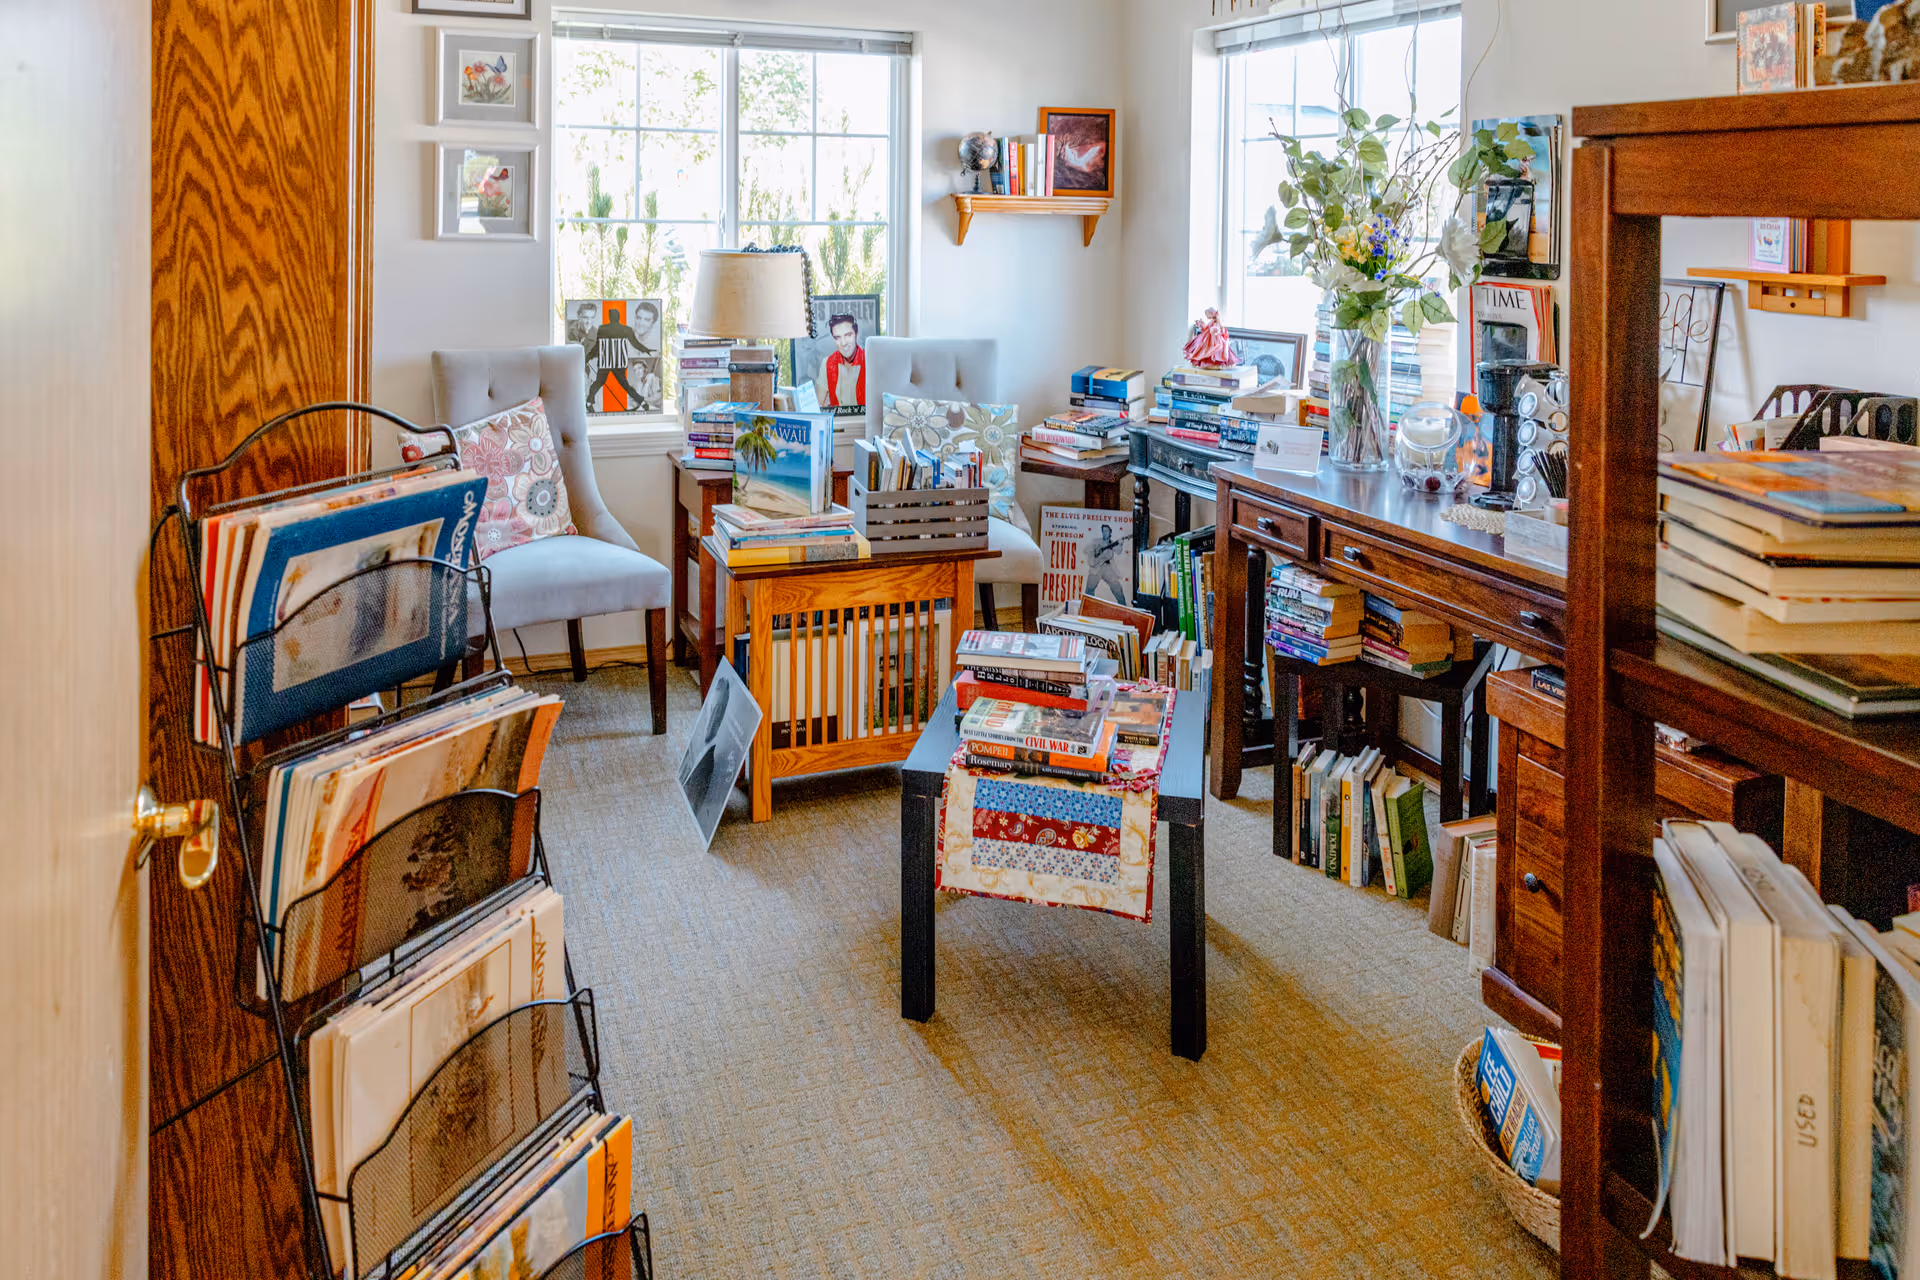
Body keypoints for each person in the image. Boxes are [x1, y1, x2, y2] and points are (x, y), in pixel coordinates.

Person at [586, 303, 657, 412]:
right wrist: (646, 350)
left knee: (599, 383)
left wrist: (588, 357)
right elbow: (635, 344)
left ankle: (589, 402)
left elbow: (597, 347)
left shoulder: (603, 328)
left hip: (606, 362)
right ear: (618, 317)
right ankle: (642, 402)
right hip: (617, 362)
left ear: (610, 317)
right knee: (625, 385)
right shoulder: (626, 329)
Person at [818, 312, 866, 412]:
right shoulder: (827, 363)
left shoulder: (870, 360)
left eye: (848, 335)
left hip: (864, 424)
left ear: (856, 334)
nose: (843, 343)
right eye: (837, 337)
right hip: (838, 424)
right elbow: (818, 404)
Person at [1083, 523, 1130, 605]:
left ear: (1110, 533)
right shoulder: (1096, 541)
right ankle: (1087, 609)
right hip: (1096, 569)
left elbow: (1119, 552)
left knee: (1117, 587)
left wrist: (1121, 543)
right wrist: (1095, 554)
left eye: (1106, 531)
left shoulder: (1112, 543)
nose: (1105, 533)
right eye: (1103, 531)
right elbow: (1085, 550)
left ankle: (1123, 607)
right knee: (1089, 591)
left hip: (1107, 568)